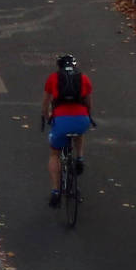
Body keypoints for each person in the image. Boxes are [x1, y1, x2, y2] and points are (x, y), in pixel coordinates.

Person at [42, 55, 94, 208]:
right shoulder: (84, 78)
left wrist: (47, 117)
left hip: (61, 121)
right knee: (78, 133)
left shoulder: (53, 78)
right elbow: (89, 104)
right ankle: (79, 158)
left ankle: (56, 191)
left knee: (55, 154)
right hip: (81, 120)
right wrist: (86, 116)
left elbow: (45, 104)